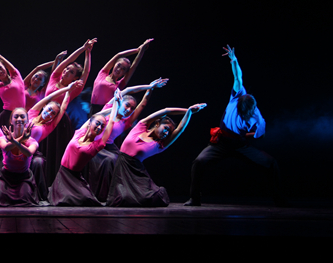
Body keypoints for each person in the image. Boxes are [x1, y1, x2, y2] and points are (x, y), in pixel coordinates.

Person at [184, 46, 286, 207]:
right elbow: (238, 77)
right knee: (199, 162)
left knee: (271, 163)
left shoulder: (257, 117)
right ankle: (194, 198)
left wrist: (243, 136)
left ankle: (279, 199)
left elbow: (260, 134)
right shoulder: (238, 95)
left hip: (240, 145)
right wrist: (234, 60)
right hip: (221, 143)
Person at [106, 102, 207, 207]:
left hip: (135, 172)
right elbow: (166, 110)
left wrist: (189, 114)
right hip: (121, 167)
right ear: (158, 124)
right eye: (166, 128)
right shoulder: (141, 127)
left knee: (148, 198)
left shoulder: (159, 145)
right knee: (120, 199)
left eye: (169, 132)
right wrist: (188, 110)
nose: (166, 133)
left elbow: (179, 129)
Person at [85, 78, 169, 202]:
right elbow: (128, 90)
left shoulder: (126, 122)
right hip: (96, 144)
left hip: (110, 147)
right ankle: (103, 194)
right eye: (127, 105)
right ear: (121, 103)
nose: (129, 109)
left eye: (132, 108)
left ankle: (126, 192)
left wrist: (150, 91)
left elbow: (143, 104)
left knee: (123, 161)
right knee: (110, 160)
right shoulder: (109, 108)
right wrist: (149, 86)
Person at [48, 90, 119, 206]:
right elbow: (97, 115)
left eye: (102, 126)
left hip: (74, 177)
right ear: (90, 123)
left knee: (84, 200)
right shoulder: (80, 133)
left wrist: (116, 102)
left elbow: (111, 122)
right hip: (63, 174)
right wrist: (111, 106)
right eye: (97, 123)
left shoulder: (97, 145)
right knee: (64, 200)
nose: (99, 127)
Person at [41, 38, 96, 185]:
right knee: (43, 150)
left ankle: (56, 183)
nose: (66, 71)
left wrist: (88, 53)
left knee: (56, 152)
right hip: (44, 118)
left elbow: (86, 72)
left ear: (75, 78)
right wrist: (83, 48)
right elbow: (67, 61)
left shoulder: (74, 89)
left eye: (71, 72)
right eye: (66, 69)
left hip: (60, 121)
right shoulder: (54, 77)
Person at [27, 80, 83, 200]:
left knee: (38, 162)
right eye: (48, 109)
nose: (49, 113)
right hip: (17, 146)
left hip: (30, 152)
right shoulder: (32, 113)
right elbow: (50, 97)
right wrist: (67, 88)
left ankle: (35, 194)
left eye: (52, 113)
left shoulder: (48, 127)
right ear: (44, 107)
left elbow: (62, 109)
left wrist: (68, 93)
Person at [0, 108, 40, 207]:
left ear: (27, 121)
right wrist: (20, 139)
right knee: (0, 200)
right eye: (16, 117)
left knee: (25, 201)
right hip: (6, 177)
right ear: (11, 121)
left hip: (24, 177)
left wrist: (15, 140)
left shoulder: (32, 141)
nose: (19, 119)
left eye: (22, 117)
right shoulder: (3, 138)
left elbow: (29, 153)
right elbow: (6, 147)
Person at [90, 39, 153, 115]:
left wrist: (142, 50)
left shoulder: (120, 84)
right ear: (114, 64)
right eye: (118, 65)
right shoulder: (102, 74)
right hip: (92, 110)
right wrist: (137, 50)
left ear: (125, 73)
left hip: (106, 113)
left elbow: (134, 65)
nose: (119, 69)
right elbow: (118, 55)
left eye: (123, 69)